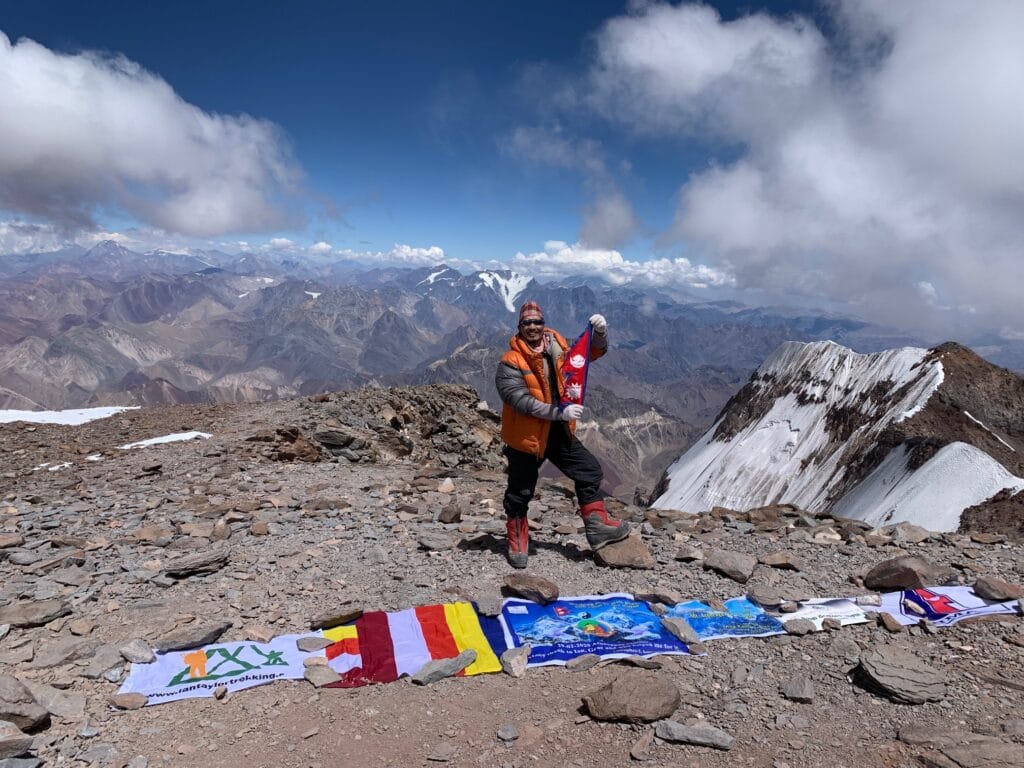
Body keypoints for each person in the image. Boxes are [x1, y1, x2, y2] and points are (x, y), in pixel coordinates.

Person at [495, 299, 632, 568]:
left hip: (557, 432)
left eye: (537, 322)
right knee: (520, 490)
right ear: (519, 327)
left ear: (544, 323)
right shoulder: (510, 361)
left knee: (589, 470)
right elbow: (519, 400)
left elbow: (586, 356)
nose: (533, 327)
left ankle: (597, 527)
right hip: (527, 437)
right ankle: (518, 537)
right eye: (527, 323)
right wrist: (560, 413)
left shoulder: (557, 345)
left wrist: (600, 335)